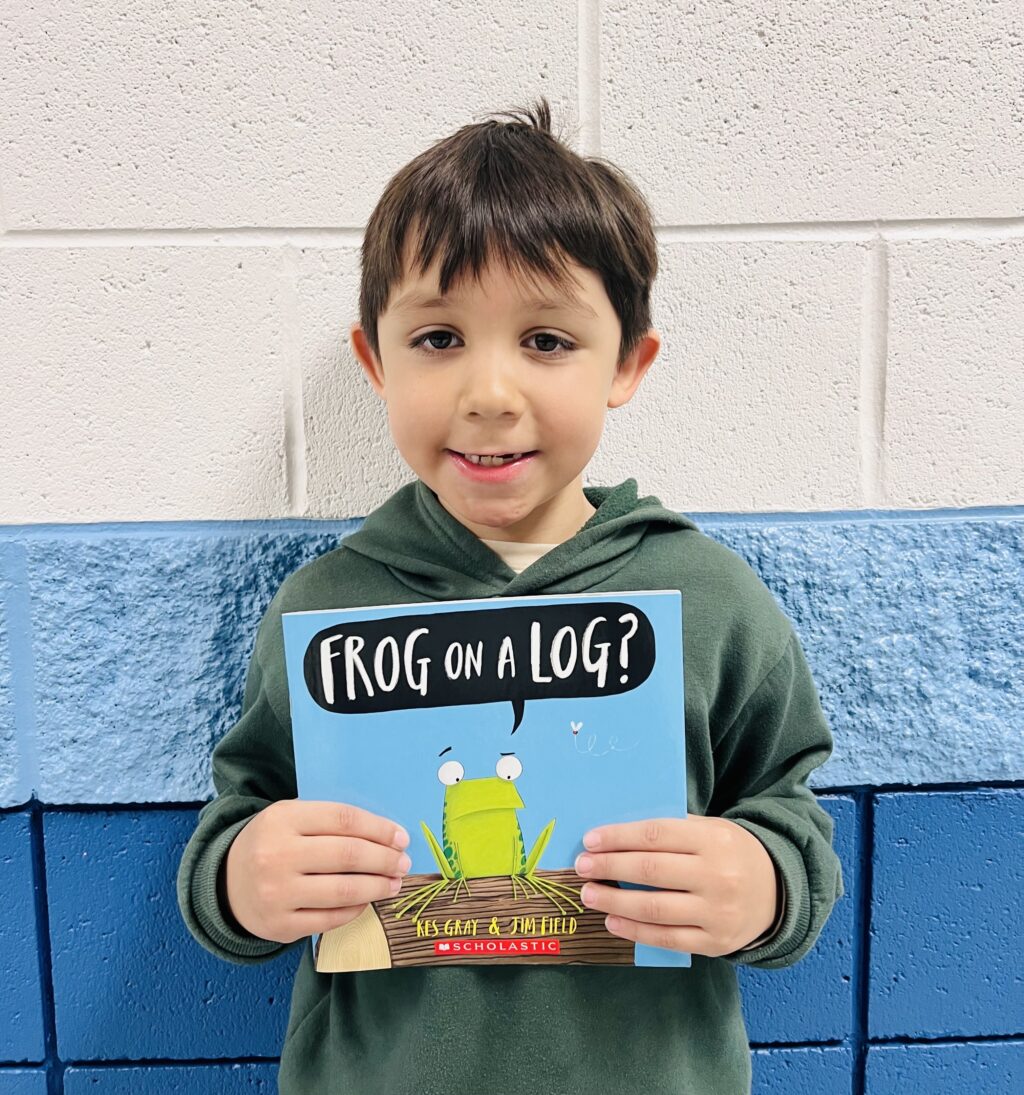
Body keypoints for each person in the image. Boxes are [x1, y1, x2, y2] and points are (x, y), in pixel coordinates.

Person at [176, 96, 843, 1095]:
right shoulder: (325, 609)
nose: (490, 393)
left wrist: (762, 886)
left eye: (545, 341)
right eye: (439, 338)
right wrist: (242, 882)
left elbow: (791, 813)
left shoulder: (708, 599)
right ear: (375, 362)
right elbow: (237, 823)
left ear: (627, 364)